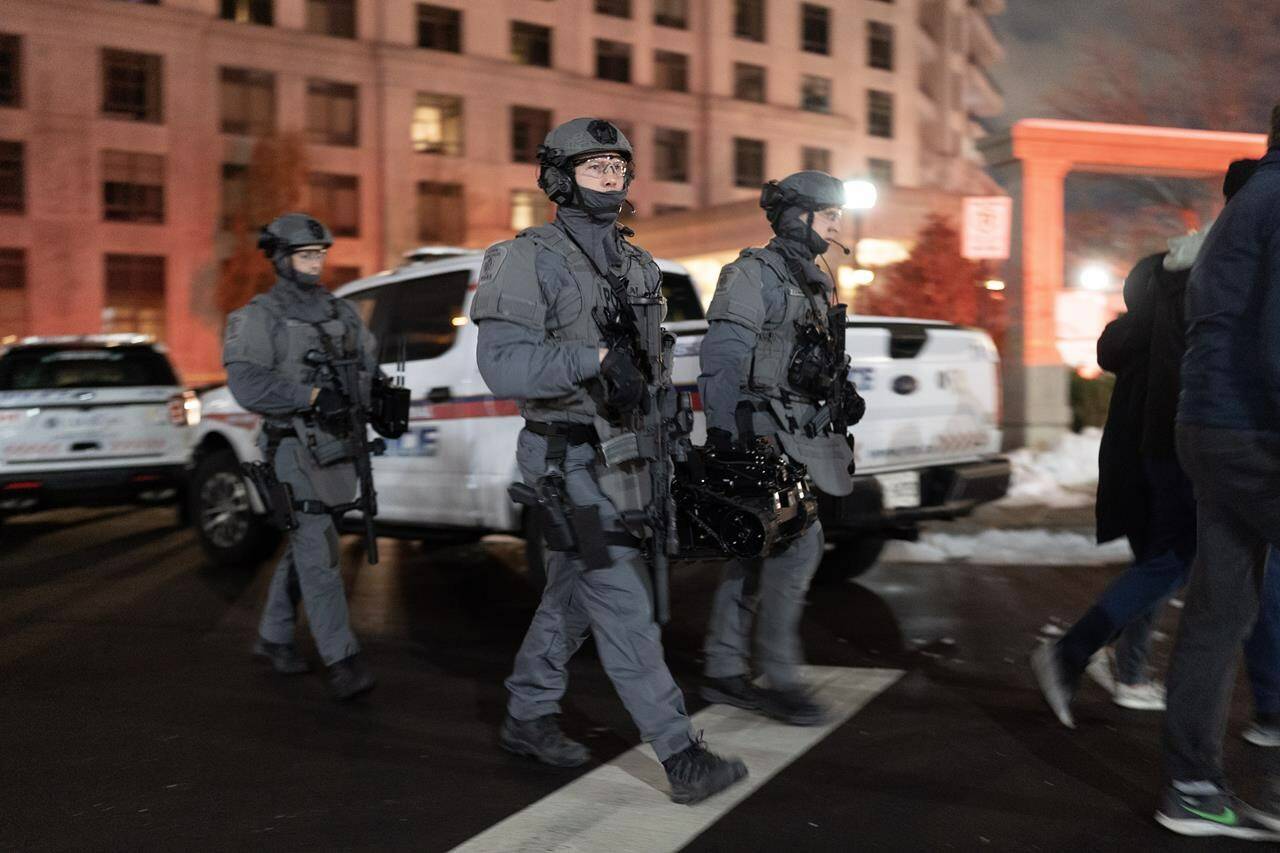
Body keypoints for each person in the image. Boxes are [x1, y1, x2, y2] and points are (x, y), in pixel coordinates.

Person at [470, 117, 748, 805]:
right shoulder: (524, 257)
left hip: (634, 455)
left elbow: (652, 367)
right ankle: (681, 754)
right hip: (569, 458)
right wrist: (590, 360)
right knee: (621, 598)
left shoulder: (638, 263)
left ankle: (528, 714)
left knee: (574, 595)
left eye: (618, 167)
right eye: (595, 167)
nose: (612, 177)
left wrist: (676, 440)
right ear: (560, 178)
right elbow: (500, 365)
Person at [1031, 160, 1271, 727]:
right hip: (1219, 438)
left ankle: (1101, 664)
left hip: (1177, 439)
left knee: (1178, 561)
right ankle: (1214, 738)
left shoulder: (1181, 264)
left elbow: (1132, 350)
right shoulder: (1230, 262)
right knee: (1194, 568)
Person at [696, 171, 866, 725]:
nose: (837, 224)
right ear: (800, 216)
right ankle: (781, 678)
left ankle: (723, 668)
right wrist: (727, 438)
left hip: (803, 437)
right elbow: (722, 359)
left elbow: (809, 357)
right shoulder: (752, 275)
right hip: (763, 436)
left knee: (755, 550)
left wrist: (843, 395)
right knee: (796, 549)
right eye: (830, 213)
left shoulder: (812, 278)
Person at [1154, 107, 1280, 841]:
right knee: (1221, 610)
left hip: (1210, 425)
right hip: (1254, 429)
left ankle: (1191, 785)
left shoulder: (1249, 202)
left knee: (1220, 609)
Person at [223, 212, 378, 702]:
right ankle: (343, 660)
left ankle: (273, 636)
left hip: (337, 446)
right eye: (306, 255)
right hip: (291, 445)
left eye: (319, 255)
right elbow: (247, 383)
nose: (315, 264)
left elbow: (367, 365)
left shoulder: (340, 311)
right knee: (319, 553)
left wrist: (377, 397)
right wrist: (309, 397)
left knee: (307, 545)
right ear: (281, 259)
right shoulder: (259, 316)